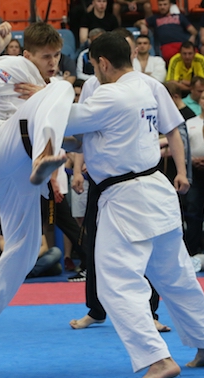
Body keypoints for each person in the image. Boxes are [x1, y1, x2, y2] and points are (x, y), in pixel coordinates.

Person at [65, 31, 204, 378]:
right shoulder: (147, 86)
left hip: (126, 198)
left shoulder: (110, 94)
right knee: (175, 274)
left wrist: (43, 97)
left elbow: (65, 122)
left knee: (115, 283)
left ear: (103, 62)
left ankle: (157, 358)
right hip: (155, 190)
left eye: (94, 65)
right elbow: (85, 137)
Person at [0, 22, 75, 376]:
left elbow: (63, 122)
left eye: (56, 56)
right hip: (1, 144)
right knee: (64, 88)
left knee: (23, 251)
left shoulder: (48, 88)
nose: (52, 63)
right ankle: (43, 161)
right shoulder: (14, 66)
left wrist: (55, 176)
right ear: (27, 54)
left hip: (16, 173)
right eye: (45, 56)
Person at [68, 28, 186, 333]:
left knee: (145, 250)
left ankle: (150, 312)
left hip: (136, 179)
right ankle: (96, 310)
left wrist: (182, 171)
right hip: (103, 180)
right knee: (96, 246)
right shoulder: (94, 85)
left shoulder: (148, 86)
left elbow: (171, 129)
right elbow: (84, 135)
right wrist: (78, 169)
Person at [184, 89, 204, 255]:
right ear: (199, 101)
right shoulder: (190, 122)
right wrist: (191, 160)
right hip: (194, 171)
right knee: (193, 210)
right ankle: (191, 250)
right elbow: (182, 147)